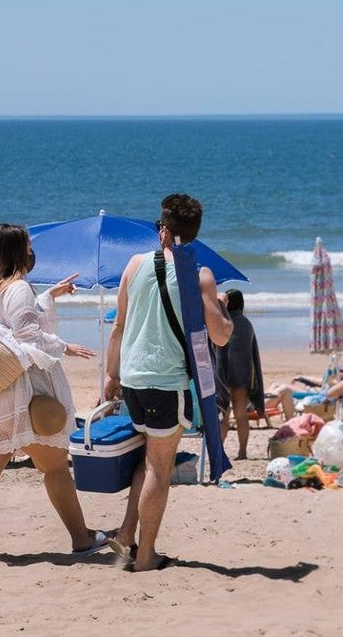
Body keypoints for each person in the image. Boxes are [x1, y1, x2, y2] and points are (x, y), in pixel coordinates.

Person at [0, 223, 102, 562]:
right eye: (28, 247)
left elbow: (4, 326)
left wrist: (48, 296)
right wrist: (67, 346)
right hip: (19, 389)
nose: (32, 253)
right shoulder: (17, 288)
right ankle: (81, 537)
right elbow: (28, 335)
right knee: (55, 467)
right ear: (17, 252)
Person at [103, 194, 233, 572]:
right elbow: (221, 335)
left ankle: (127, 536)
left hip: (132, 377)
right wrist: (224, 306)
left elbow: (118, 326)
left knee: (149, 459)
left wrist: (111, 375)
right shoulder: (199, 274)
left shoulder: (133, 265)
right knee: (160, 469)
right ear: (193, 233)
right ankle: (145, 557)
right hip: (166, 381)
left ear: (162, 228)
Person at [216, 289, 264, 460]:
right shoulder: (246, 324)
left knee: (223, 416)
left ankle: (219, 451)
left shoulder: (221, 323)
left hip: (222, 376)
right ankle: (242, 452)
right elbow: (252, 354)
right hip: (242, 376)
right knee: (241, 415)